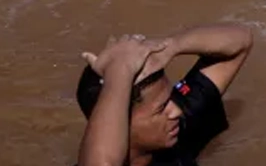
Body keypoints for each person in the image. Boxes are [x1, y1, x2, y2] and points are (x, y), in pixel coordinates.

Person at [74, 22, 254, 166]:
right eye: (160, 109)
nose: (176, 110)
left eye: (169, 99)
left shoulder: (176, 129)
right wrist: (121, 68)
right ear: (121, 119)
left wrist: (170, 47)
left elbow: (240, 41)